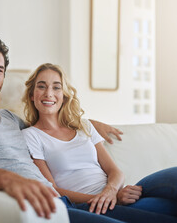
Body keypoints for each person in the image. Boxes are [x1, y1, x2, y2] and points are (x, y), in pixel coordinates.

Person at [0, 35, 177, 223]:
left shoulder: (10, 119)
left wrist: (89, 123)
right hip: (48, 205)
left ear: (4, 77)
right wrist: (9, 180)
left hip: (63, 201)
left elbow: (50, 123)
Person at [22, 63, 177, 220]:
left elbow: (114, 171)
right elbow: (53, 189)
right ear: (32, 95)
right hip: (91, 205)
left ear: (64, 96)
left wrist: (111, 192)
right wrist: (105, 198)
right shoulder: (30, 136)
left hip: (117, 195)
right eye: (41, 87)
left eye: (56, 87)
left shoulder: (84, 126)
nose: (49, 93)